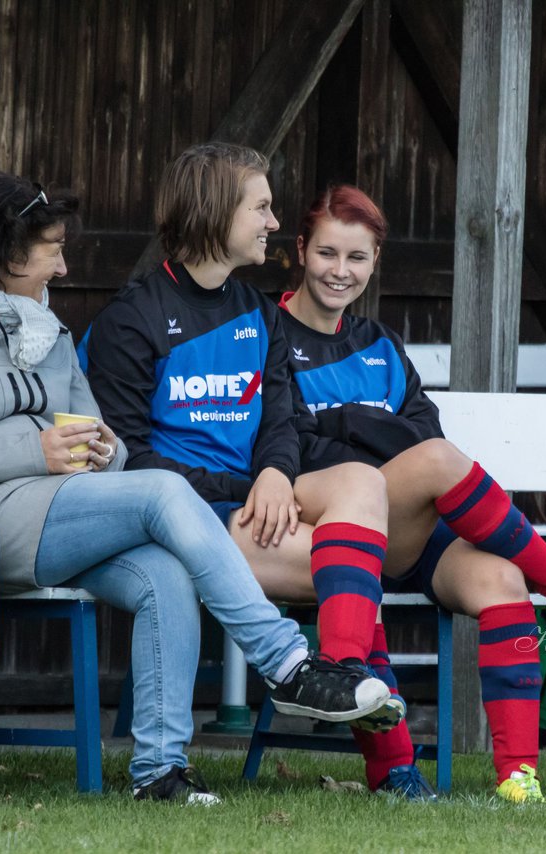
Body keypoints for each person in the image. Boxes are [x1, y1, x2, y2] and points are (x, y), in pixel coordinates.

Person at [0, 171, 391, 804]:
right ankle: (286, 662)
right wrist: (29, 449)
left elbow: (106, 438)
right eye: (52, 251)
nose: (64, 269)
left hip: (65, 508)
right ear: (7, 254)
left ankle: (159, 771)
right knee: (161, 492)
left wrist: (100, 447)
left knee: (165, 572)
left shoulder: (45, 327)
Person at [275, 184, 546, 802]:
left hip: (413, 529)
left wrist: (354, 426)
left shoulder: (380, 344)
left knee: (502, 582)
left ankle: (517, 776)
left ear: (375, 263)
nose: (340, 272)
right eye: (327, 254)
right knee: (423, 464)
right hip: (336, 527)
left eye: (357, 258)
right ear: (299, 250)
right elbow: (297, 446)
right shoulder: (268, 337)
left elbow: (426, 431)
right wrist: (376, 432)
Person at [82, 143, 404, 740]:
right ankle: (381, 748)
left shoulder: (259, 313)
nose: (274, 223)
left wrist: (276, 474)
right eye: (261, 207)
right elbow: (129, 461)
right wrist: (253, 487)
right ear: (217, 212)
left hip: (255, 504)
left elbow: (280, 421)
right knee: (355, 575)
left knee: (363, 484)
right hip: (185, 518)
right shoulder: (132, 320)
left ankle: (340, 674)